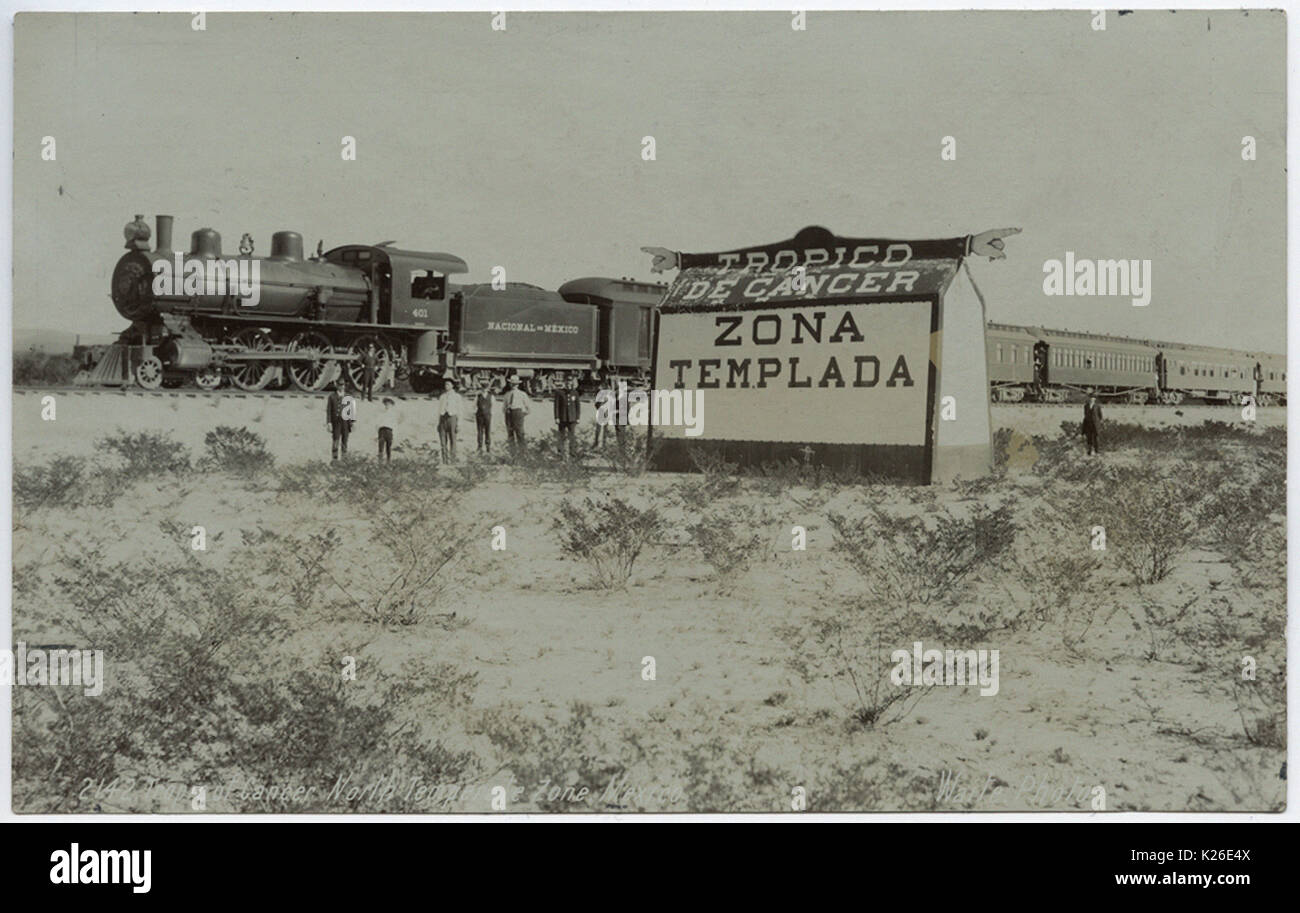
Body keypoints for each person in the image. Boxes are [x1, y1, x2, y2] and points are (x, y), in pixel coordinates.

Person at [326, 380, 357, 460]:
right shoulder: (332, 396)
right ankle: (334, 459)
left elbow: (352, 410)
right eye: (340, 385)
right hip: (336, 422)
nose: (342, 387)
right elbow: (329, 410)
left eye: (343, 385)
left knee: (345, 441)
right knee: (335, 440)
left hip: (346, 423)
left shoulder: (348, 396)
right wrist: (329, 423)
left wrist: (353, 423)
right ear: (337, 386)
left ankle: (344, 459)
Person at [554, 374, 581, 460]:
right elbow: (556, 406)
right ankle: (560, 454)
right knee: (561, 436)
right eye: (567, 382)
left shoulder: (575, 393)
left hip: (572, 419)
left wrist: (578, 417)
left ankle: (572, 454)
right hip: (562, 418)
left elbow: (578, 406)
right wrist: (556, 417)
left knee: (572, 437)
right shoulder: (559, 392)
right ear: (565, 383)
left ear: (572, 383)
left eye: (570, 382)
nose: (569, 384)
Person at [436, 379, 462, 462]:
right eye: (445, 384)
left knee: (453, 440)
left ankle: (452, 459)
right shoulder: (442, 396)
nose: (446, 386)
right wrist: (438, 422)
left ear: (452, 386)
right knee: (443, 441)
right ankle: (444, 460)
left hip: (452, 418)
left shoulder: (457, 396)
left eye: (448, 384)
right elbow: (439, 410)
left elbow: (460, 410)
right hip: (443, 418)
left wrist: (459, 424)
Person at [503, 375, 529, 451]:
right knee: (510, 434)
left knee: (520, 434)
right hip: (509, 414)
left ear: (518, 385)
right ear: (510, 384)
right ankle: (512, 452)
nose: (514, 385)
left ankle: (522, 453)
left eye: (515, 384)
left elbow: (528, 408)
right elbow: (504, 407)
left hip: (518, 413)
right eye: (512, 384)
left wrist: (522, 414)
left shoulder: (522, 394)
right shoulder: (507, 394)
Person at [475, 384, 494, 453]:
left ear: (488, 388)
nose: (484, 389)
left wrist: (491, 413)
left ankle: (488, 447)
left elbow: (493, 406)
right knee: (480, 431)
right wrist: (476, 412)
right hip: (479, 416)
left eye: (485, 388)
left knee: (488, 431)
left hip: (487, 415)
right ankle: (479, 446)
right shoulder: (478, 396)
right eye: (483, 388)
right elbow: (474, 405)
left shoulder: (491, 396)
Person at [377, 396, 396, 461]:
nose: (387, 404)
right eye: (386, 403)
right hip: (382, 430)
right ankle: (380, 461)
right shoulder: (381, 412)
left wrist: (394, 434)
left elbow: (395, 424)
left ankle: (388, 461)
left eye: (389, 403)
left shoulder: (393, 413)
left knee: (388, 447)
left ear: (391, 404)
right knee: (380, 447)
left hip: (389, 430)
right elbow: (378, 422)